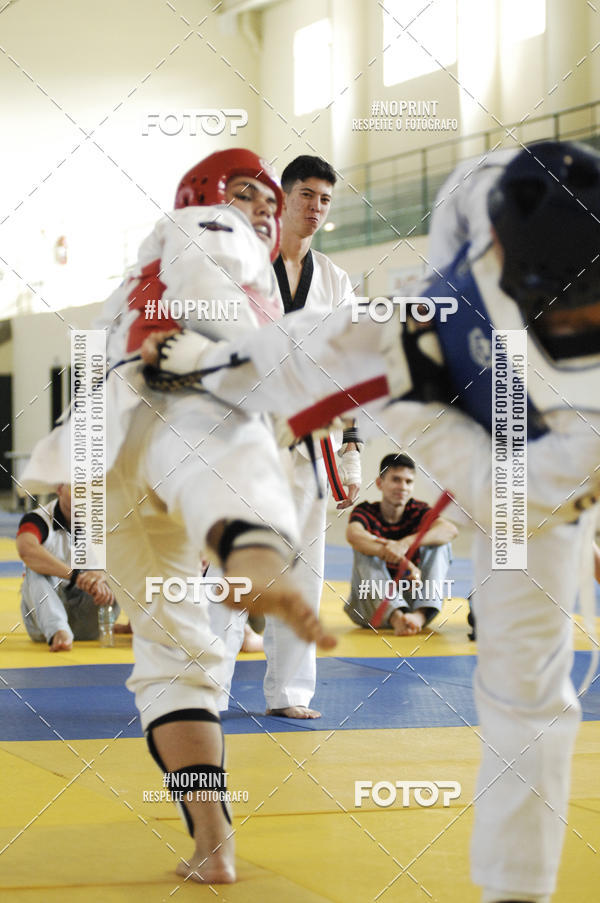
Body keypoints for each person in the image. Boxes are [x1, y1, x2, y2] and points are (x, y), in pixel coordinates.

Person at [153, 139, 600, 902]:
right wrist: (193, 368)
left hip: (537, 457)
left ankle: (516, 890)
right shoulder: (460, 240)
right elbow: (312, 349)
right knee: (325, 357)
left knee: (530, 682)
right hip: (438, 357)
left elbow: (509, 496)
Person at [22, 148, 335, 885]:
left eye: (269, 201)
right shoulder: (204, 227)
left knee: (174, 657)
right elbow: (206, 280)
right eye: (248, 193)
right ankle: (251, 556)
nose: (262, 210)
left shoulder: (135, 276)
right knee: (221, 464)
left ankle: (211, 841)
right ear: (208, 193)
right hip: (181, 392)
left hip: (114, 448)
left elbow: (105, 354)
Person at [210, 154, 361, 719]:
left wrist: (352, 447)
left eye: (325, 199)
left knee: (303, 569)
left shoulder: (336, 280)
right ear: (283, 198)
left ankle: (291, 693)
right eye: (306, 195)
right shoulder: (243, 269)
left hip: (312, 446)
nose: (315, 208)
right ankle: (206, 689)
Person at [345, 452, 456, 635]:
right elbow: (353, 535)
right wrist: (405, 561)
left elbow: (450, 530)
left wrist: (406, 543)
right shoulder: (366, 511)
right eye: (396, 480)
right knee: (363, 547)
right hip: (370, 606)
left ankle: (418, 617)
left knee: (441, 544)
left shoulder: (417, 510)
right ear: (380, 483)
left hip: (412, 602)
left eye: (408, 481)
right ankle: (396, 616)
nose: (402, 487)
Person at [17, 483, 117, 651]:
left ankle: (140, 626)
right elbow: (26, 549)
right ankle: (59, 630)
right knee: (34, 569)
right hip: (43, 624)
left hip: (90, 619)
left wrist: (101, 576)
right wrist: (75, 576)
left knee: (134, 561)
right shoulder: (39, 519)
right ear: (59, 489)